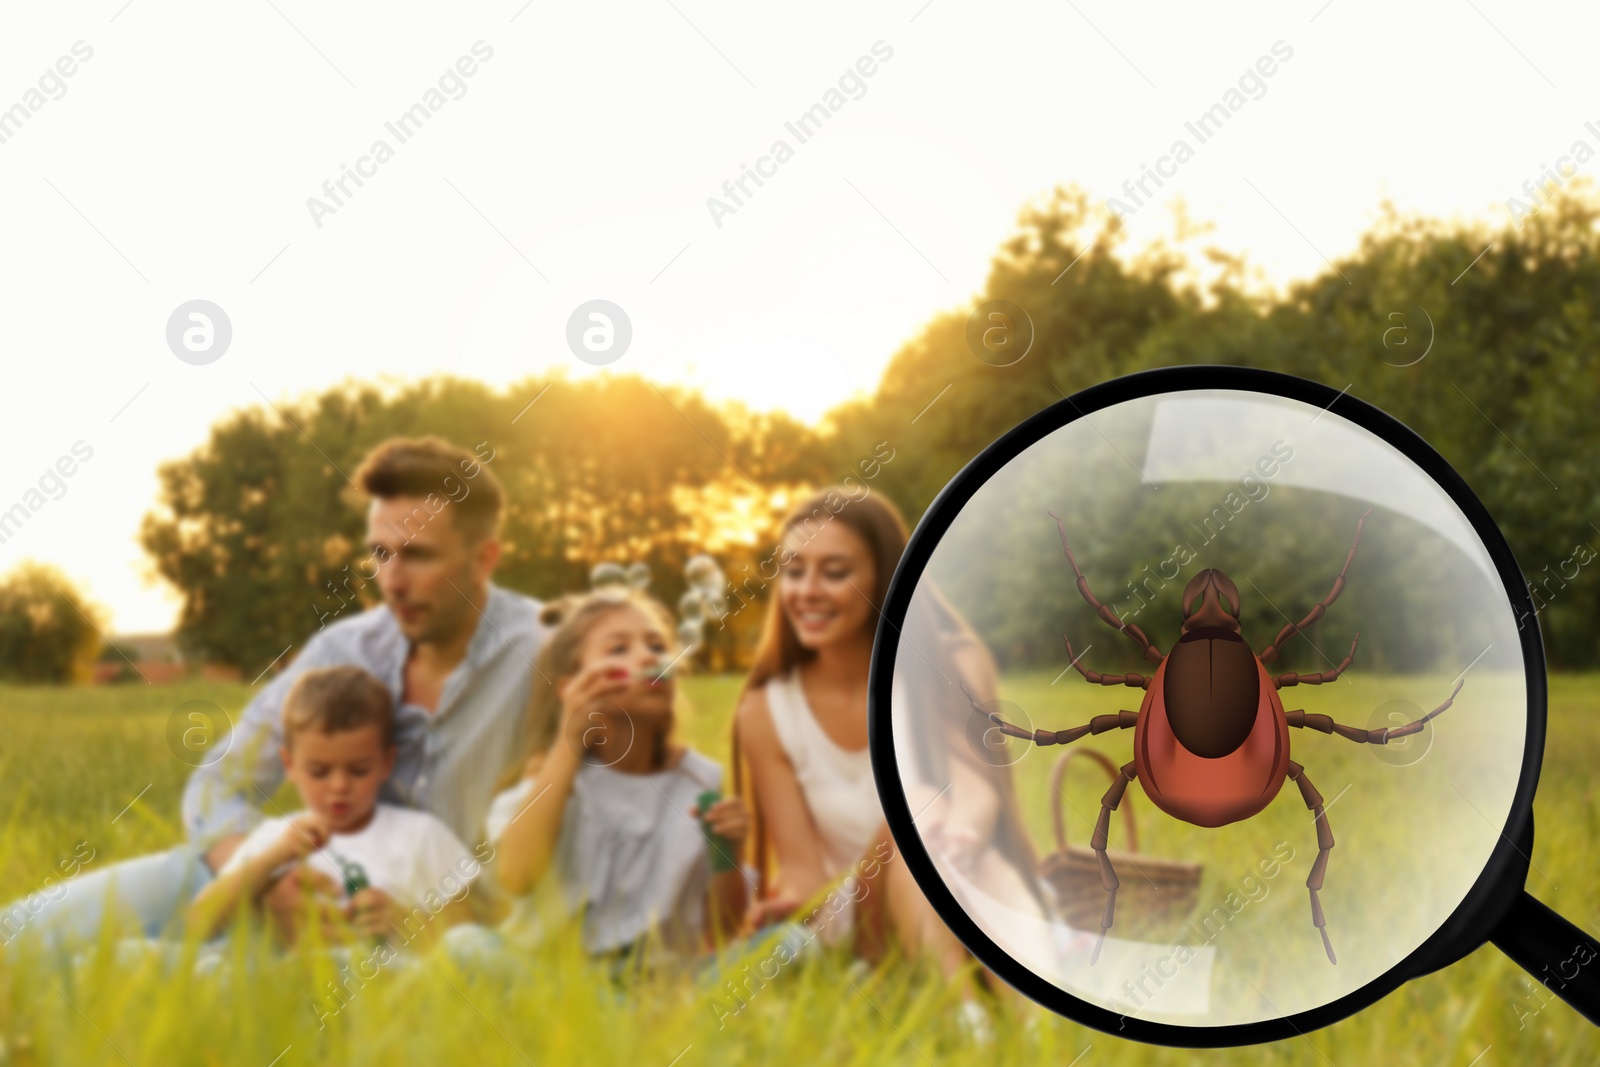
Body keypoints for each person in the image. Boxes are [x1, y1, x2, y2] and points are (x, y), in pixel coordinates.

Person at [9, 436, 544, 949]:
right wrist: (264, 880)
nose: (392, 580)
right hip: (262, 882)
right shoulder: (345, 649)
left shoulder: (546, 656)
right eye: (380, 553)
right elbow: (221, 781)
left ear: (483, 560)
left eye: (417, 555)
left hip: (426, 935)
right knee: (18, 935)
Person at [732, 487, 1051, 990]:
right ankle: (967, 1004)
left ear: (884, 577)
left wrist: (961, 835)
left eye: (835, 572)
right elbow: (801, 867)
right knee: (914, 817)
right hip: (860, 922)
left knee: (940, 839)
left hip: (962, 874)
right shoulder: (766, 711)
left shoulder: (948, 663)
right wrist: (786, 904)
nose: (807, 590)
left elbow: (978, 785)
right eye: (793, 570)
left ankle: (1007, 1023)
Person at [447, 588, 753, 979]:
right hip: (554, 981)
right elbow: (516, 876)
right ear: (571, 688)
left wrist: (727, 853)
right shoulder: (552, 778)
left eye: (657, 646)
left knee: (791, 945)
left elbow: (726, 929)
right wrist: (568, 744)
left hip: (662, 982)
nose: (648, 658)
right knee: (466, 946)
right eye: (618, 650)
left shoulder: (700, 780)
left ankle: (652, 1010)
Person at [188, 665, 482, 950]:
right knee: (202, 963)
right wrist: (273, 860)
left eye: (358, 770)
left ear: (386, 763)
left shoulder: (421, 836)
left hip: (389, 983)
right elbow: (198, 923)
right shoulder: (276, 838)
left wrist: (405, 922)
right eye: (319, 772)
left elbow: (470, 933)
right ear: (290, 765)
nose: (339, 786)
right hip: (298, 981)